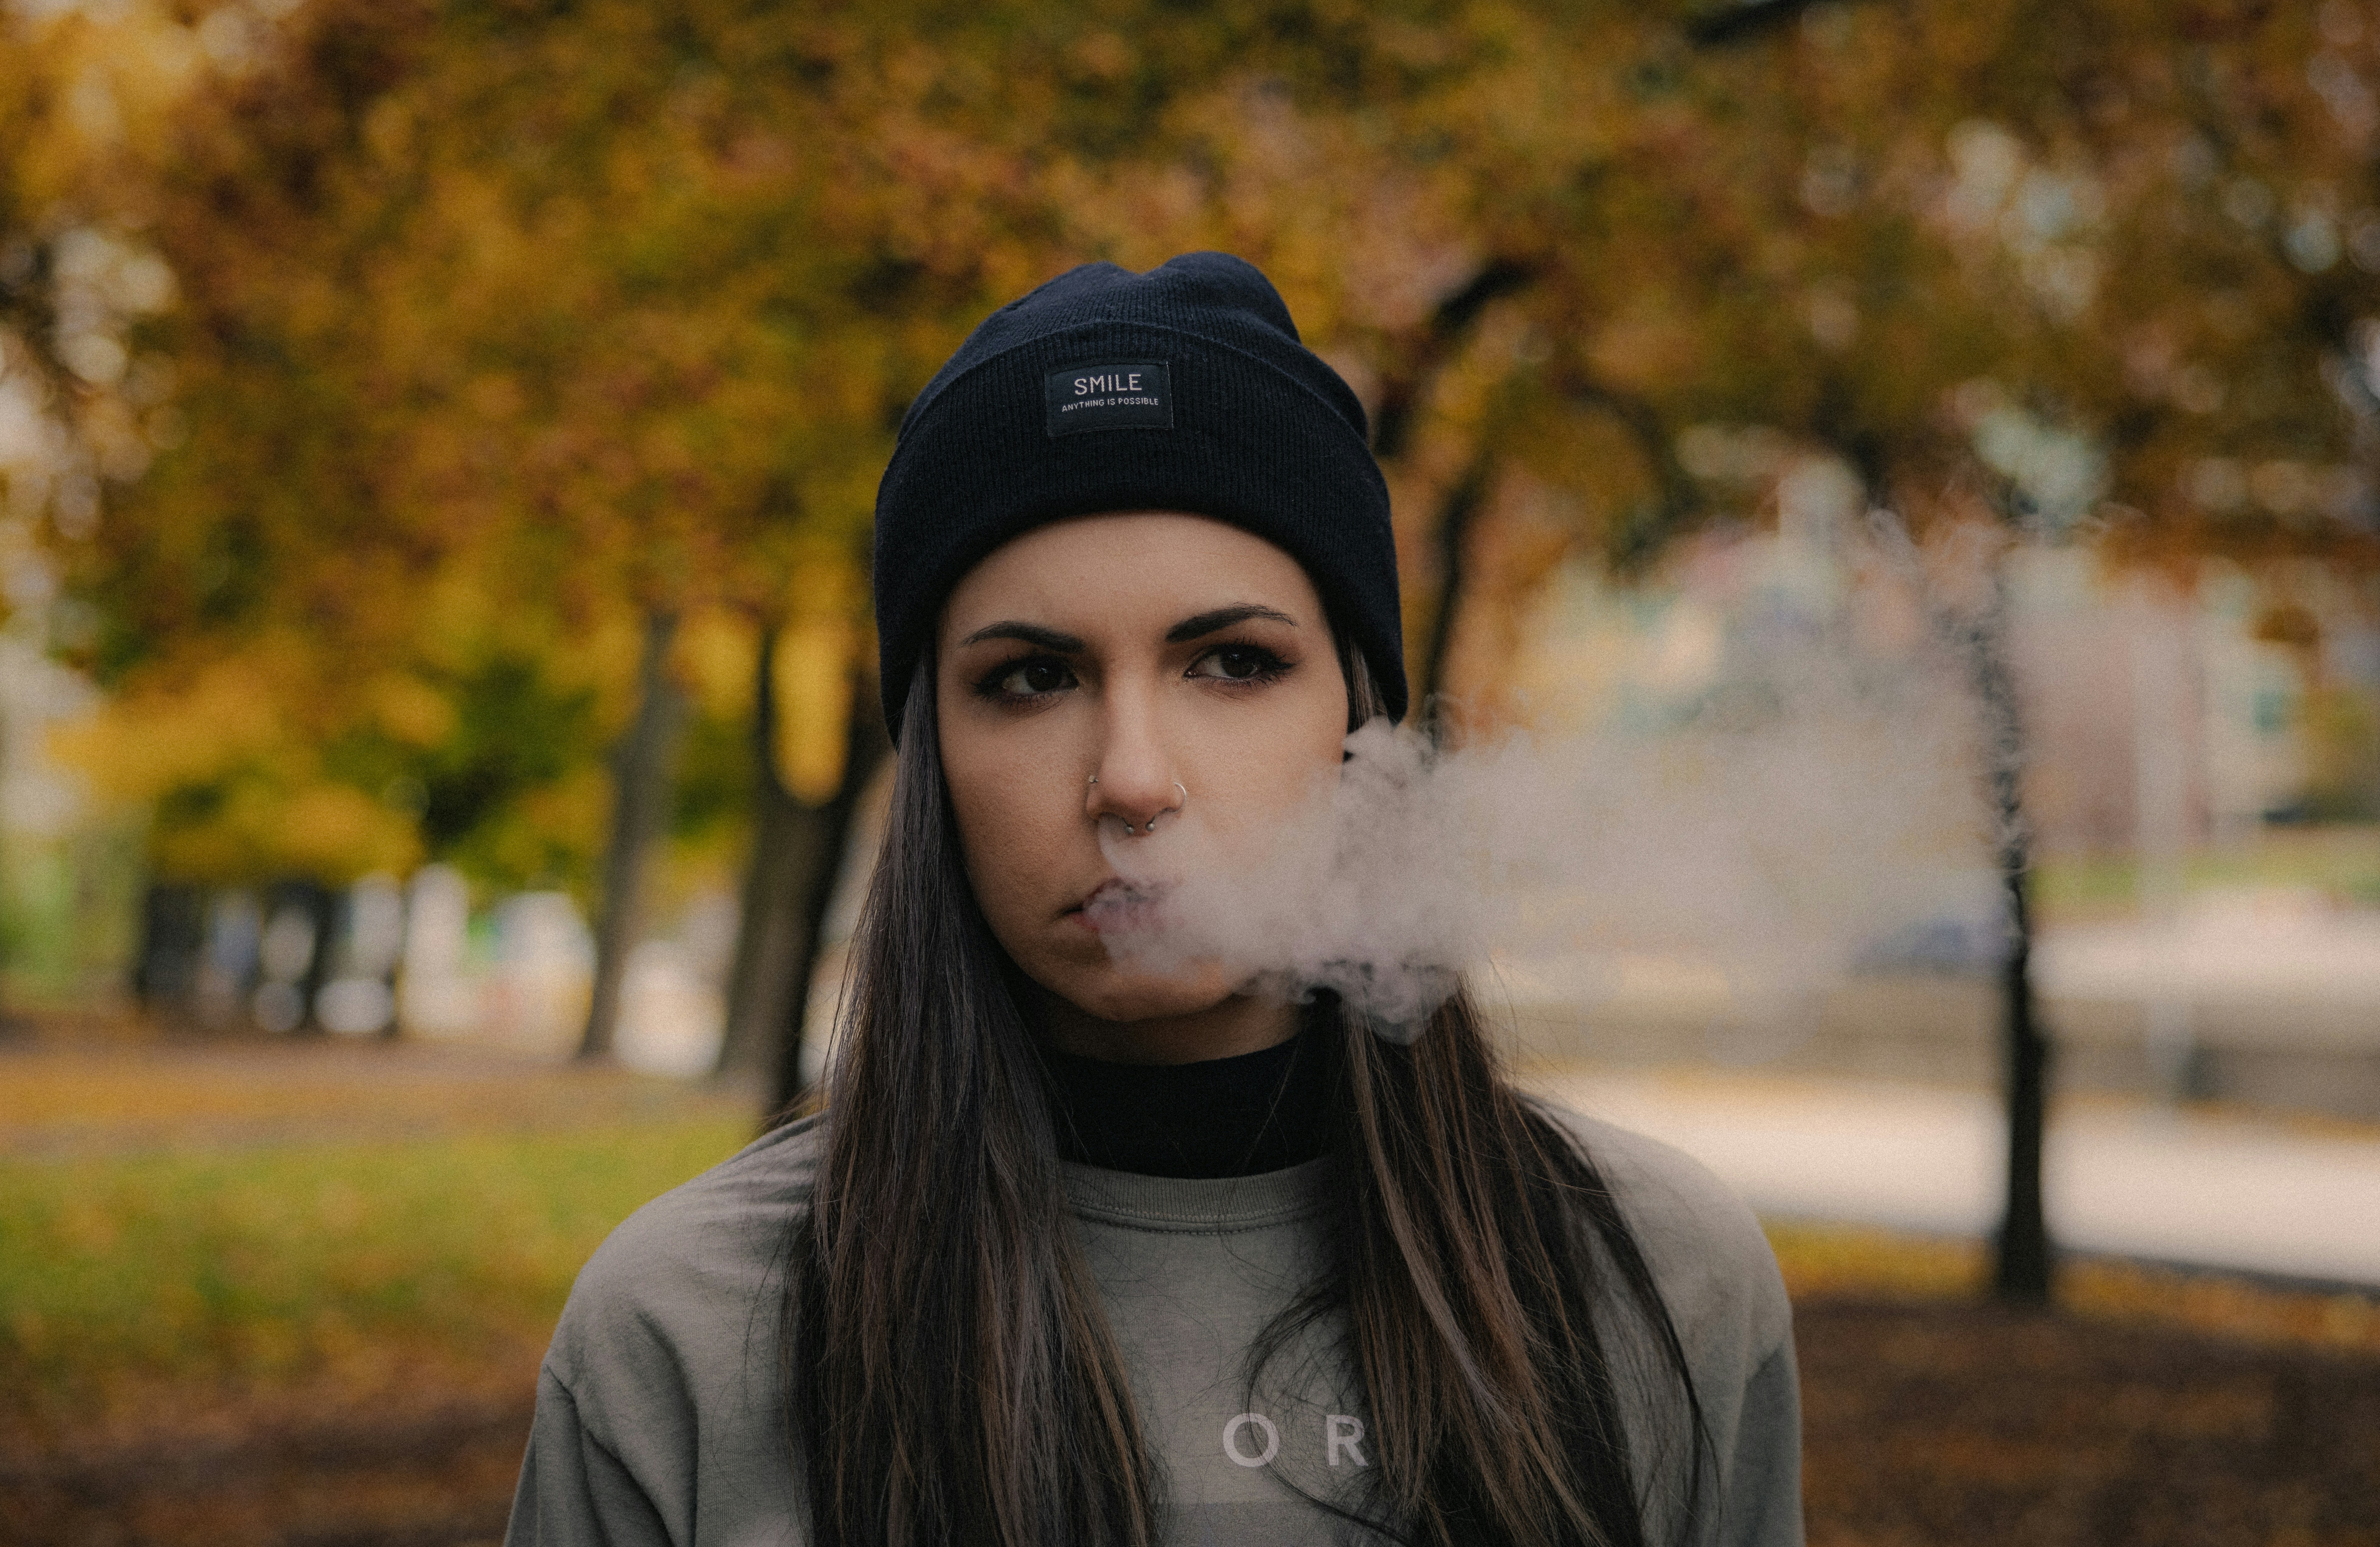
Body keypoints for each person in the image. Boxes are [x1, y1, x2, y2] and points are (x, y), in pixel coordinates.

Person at [505, 253, 1800, 1547]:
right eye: (1029, 679)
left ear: (1358, 724)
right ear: (931, 750)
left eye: (1233, 663)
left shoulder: (1651, 1284)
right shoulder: (681, 1329)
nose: (1131, 780)